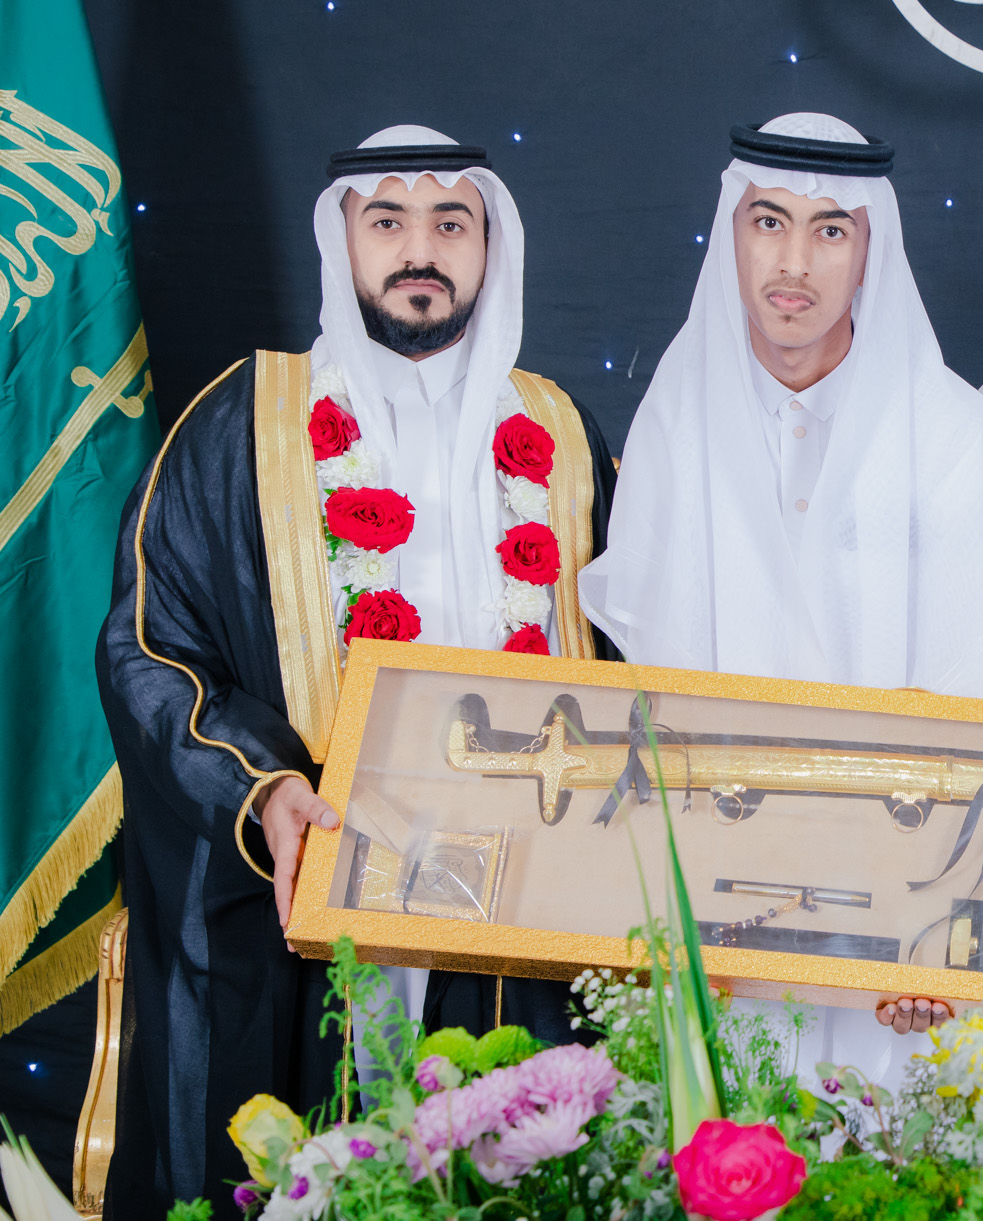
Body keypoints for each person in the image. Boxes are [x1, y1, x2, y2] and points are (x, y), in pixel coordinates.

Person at [97, 127, 619, 1216]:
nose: (419, 250)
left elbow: (631, 670)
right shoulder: (239, 424)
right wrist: (264, 790)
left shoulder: (563, 441)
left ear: (490, 243)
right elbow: (150, 646)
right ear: (342, 240)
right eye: (388, 221)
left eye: (450, 222)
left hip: (515, 912)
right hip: (313, 891)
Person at [579, 112, 983, 1071]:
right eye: (769, 222)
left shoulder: (950, 431)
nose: (793, 261)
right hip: (720, 933)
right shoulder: (677, 423)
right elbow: (648, 695)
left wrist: (937, 928)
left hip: (903, 947)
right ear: (732, 233)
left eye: (830, 229)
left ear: (869, 248)